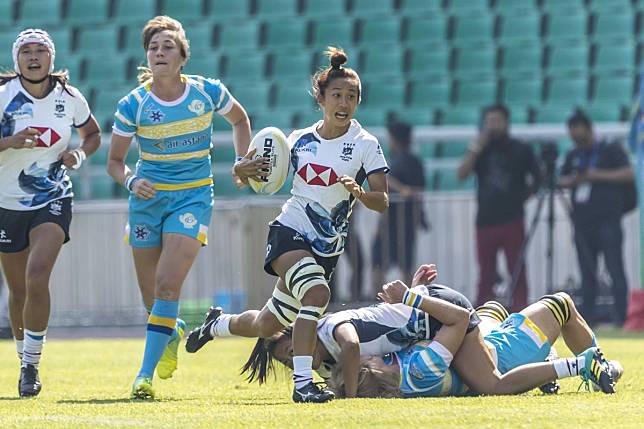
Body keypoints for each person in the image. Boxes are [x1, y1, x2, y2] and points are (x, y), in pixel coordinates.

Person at [185, 47, 390, 403]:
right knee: (317, 295)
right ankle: (303, 386)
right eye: (338, 95)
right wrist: (240, 168)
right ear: (322, 98)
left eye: (352, 96)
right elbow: (249, 176)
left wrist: (361, 192)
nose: (345, 102)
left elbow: (382, 201)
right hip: (288, 232)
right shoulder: (297, 140)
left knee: (268, 325)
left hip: (326, 248)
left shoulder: (365, 144)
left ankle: (214, 324)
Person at [107, 16, 262, 399]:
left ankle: (143, 377)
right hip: (146, 203)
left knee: (166, 284)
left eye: (167, 47)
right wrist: (131, 180)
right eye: (153, 47)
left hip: (192, 198)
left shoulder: (207, 92)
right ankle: (172, 329)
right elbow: (114, 162)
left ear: (182, 57)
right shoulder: (133, 103)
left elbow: (240, 119)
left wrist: (241, 160)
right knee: (152, 300)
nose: (159, 52)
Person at [0, 29, 101, 397]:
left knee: (37, 275)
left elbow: (92, 134)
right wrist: (8, 142)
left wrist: (79, 154)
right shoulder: (3, 97)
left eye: (40, 50)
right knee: (18, 291)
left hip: (53, 196)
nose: (33, 56)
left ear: (51, 58)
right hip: (5, 203)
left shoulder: (69, 97)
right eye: (26, 51)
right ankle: (20, 357)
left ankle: (31, 366)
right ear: (16, 60)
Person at [329, 284, 617, 398]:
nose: (363, 355)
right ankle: (590, 363)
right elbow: (460, 318)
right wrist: (411, 297)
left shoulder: (399, 366)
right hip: (506, 352)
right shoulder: (418, 370)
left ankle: (548, 358)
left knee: (491, 308)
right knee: (562, 304)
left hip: (486, 341)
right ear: (370, 369)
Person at [457, 104, 541, 311]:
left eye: (497, 121)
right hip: (485, 220)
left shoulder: (520, 148)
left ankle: (522, 313)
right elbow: (461, 175)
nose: (493, 126)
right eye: (489, 121)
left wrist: (522, 198)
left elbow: (539, 178)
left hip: (513, 219)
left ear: (506, 122)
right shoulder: (480, 150)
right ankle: (485, 316)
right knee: (486, 274)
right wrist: (475, 148)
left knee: (518, 270)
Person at [559, 109, 634, 327]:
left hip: (608, 220)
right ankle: (587, 322)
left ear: (589, 130)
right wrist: (576, 179)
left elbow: (628, 173)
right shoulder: (573, 155)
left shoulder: (610, 149)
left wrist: (595, 175)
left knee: (614, 269)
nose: (577, 140)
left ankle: (622, 319)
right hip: (583, 223)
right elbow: (561, 180)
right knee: (586, 273)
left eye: (580, 134)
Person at [371, 120, 427, 293]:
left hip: (401, 220)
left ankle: (382, 301)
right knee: (392, 262)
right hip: (397, 220)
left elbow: (415, 190)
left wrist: (400, 188)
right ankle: (405, 300)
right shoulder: (408, 160)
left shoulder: (406, 161)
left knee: (387, 264)